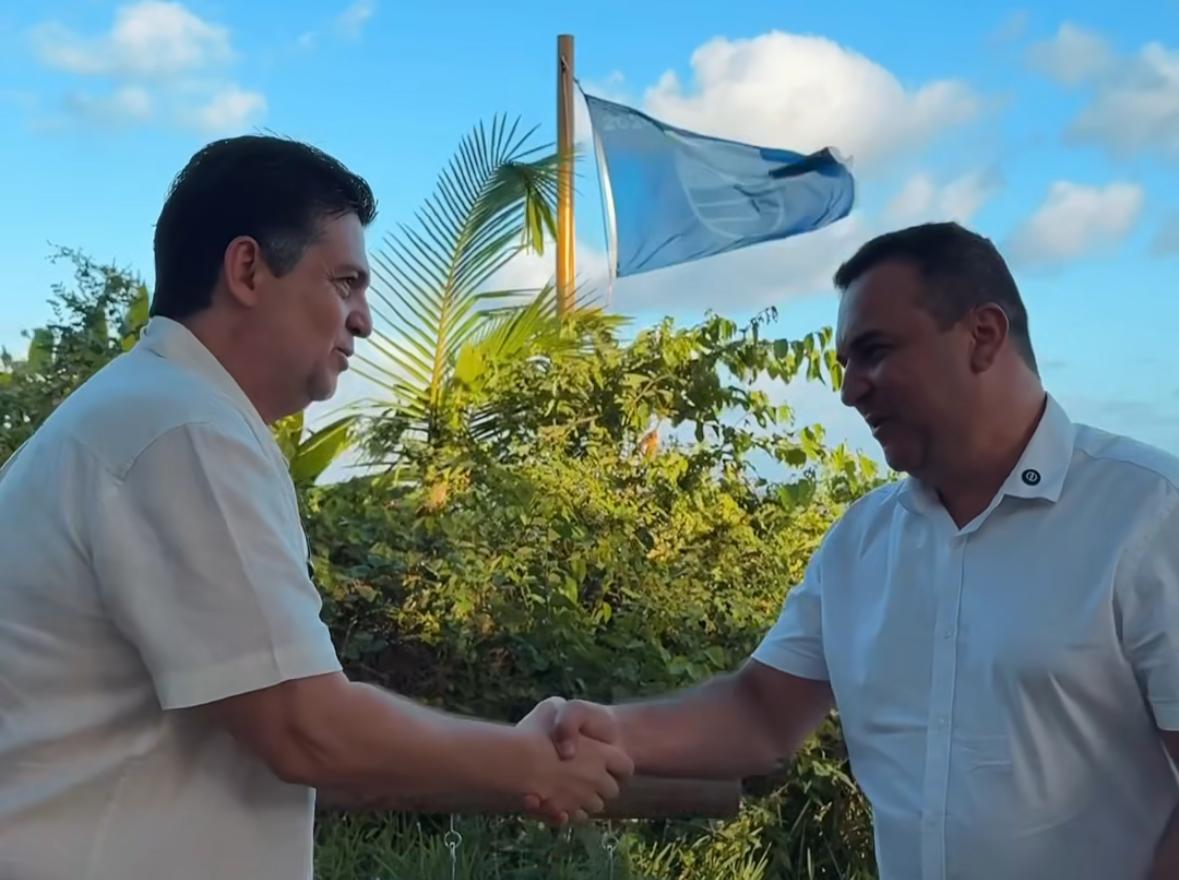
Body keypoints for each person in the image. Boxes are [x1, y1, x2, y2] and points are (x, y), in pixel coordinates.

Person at [0, 135, 631, 880]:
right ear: (247, 269)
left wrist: (512, 756)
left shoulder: (147, 411)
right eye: (344, 283)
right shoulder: (182, 429)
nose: (364, 320)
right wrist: (527, 763)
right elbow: (305, 728)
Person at [524, 222, 1179, 879]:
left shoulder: (1149, 516)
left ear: (982, 335)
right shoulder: (860, 543)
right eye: (844, 364)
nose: (849, 390)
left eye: (875, 352)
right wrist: (608, 729)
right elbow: (761, 713)